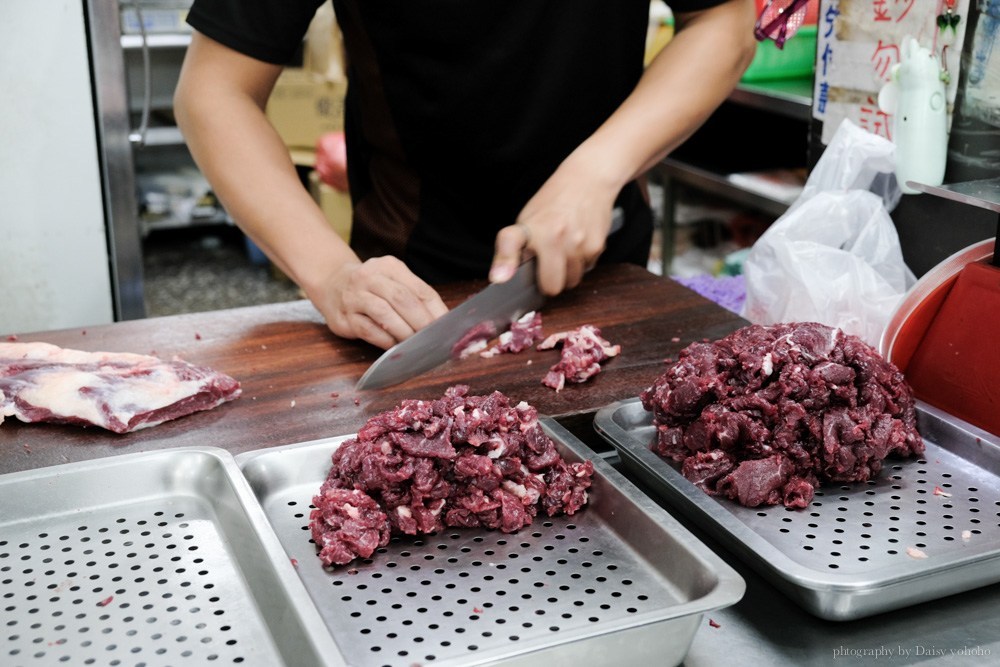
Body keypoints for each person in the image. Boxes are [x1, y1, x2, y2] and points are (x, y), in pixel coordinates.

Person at [174, 0, 757, 350]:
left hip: (605, 270)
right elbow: (215, 92)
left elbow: (722, 21)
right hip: (412, 299)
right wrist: (330, 274)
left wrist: (596, 171)